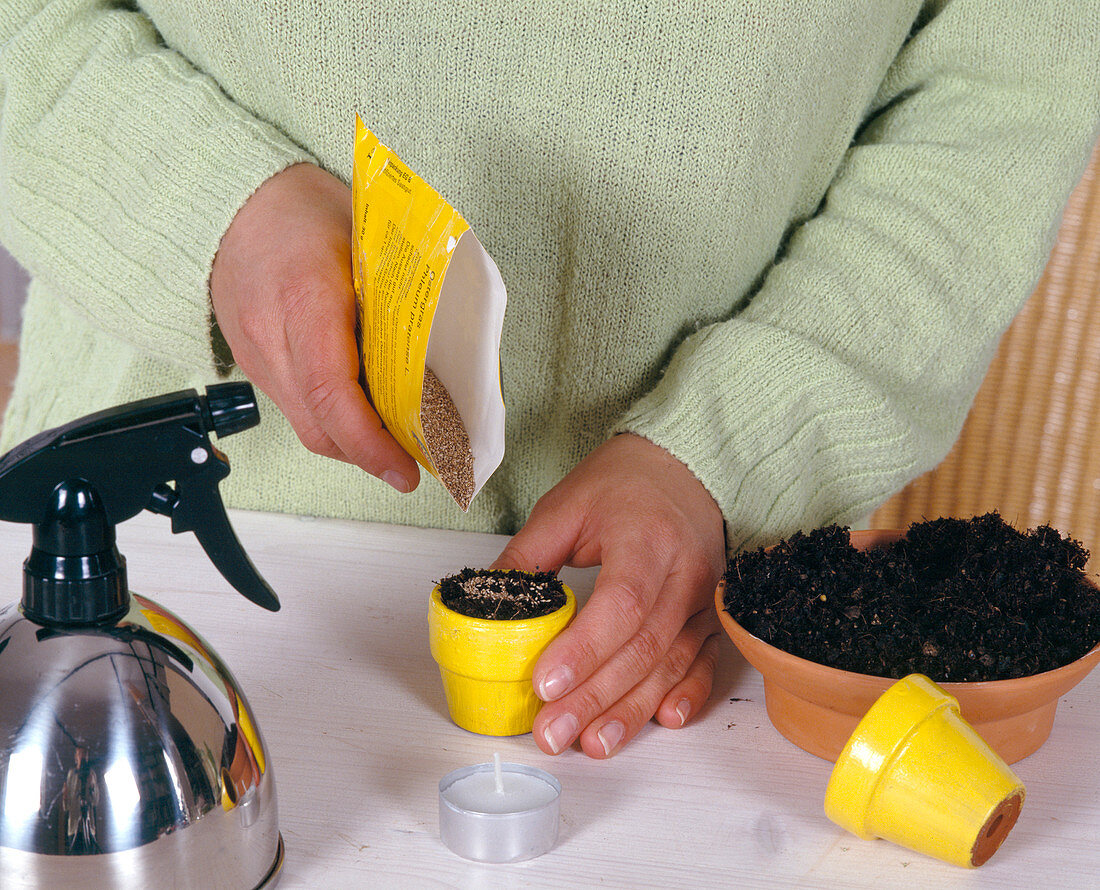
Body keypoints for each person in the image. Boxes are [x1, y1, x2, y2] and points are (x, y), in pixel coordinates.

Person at [1, 2, 1097, 761]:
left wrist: (734, 446)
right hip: (152, 585)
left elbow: (1007, 87)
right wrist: (205, 204)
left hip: (702, 621)